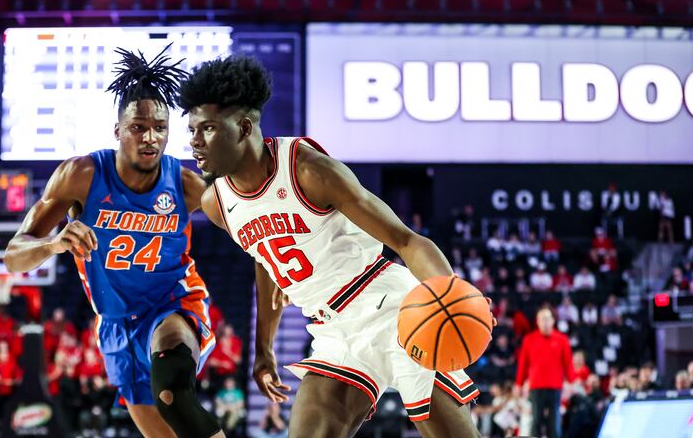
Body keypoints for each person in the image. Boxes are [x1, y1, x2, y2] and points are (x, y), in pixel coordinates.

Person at [180, 55, 492, 437]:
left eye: (207, 129)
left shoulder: (309, 170)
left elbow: (405, 240)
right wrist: (264, 348)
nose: (194, 141)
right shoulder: (217, 204)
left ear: (244, 127)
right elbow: (263, 259)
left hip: (388, 307)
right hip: (333, 330)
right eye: (192, 129)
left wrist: (453, 293)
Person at [3, 46, 222, 438]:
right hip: (116, 324)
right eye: (138, 126)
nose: (151, 137)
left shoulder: (187, 184)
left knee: (173, 388)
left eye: (160, 127)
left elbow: (252, 228)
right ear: (118, 130)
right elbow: (14, 258)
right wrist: (52, 244)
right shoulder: (81, 175)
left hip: (174, 304)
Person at [515, 307, 574, 438]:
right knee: (536, 420)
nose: (545, 322)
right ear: (537, 321)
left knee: (554, 422)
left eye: (548, 319)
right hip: (536, 387)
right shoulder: (529, 339)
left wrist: (571, 382)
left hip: (555, 387)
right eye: (542, 319)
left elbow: (568, 363)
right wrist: (518, 384)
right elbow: (523, 364)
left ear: (553, 321)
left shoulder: (562, 339)